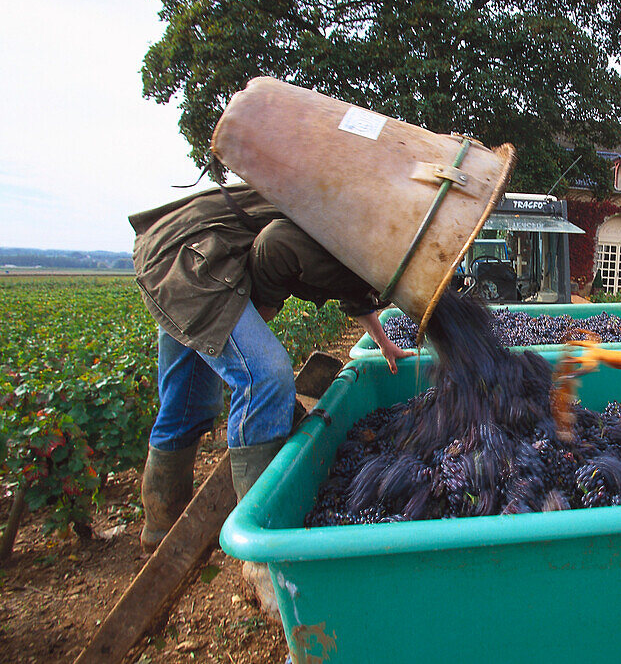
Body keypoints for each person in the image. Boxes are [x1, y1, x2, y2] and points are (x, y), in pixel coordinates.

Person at [129, 181, 414, 616]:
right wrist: (256, 314)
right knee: (265, 376)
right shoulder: (328, 223)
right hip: (192, 266)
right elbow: (280, 246)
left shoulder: (339, 216)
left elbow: (344, 282)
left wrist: (382, 339)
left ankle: (159, 527)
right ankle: (261, 559)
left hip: (177, 247)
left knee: (188, 403)